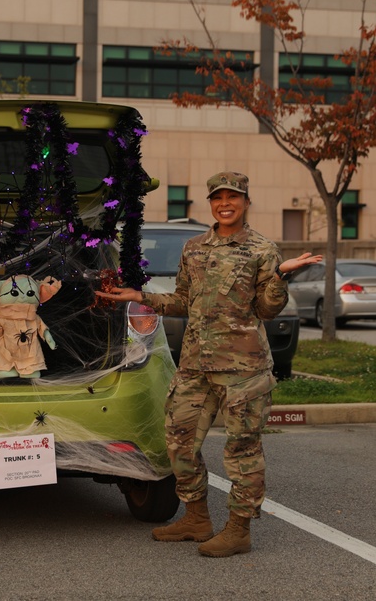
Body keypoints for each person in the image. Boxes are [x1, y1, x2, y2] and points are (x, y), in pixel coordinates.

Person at [96, 172, 321, 558]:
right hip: (196, 366)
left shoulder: (263, 250)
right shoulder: (194, 247)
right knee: (178, 442)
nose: (225, 203)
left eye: (233, 196)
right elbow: (184, 301)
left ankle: (239, 530)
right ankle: (197, 517)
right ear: (211, 203)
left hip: (243, 370)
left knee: (242, 450)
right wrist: (141, 295)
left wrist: (281, 277)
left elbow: (267, 309)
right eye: (218, 197)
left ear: (246, 202)